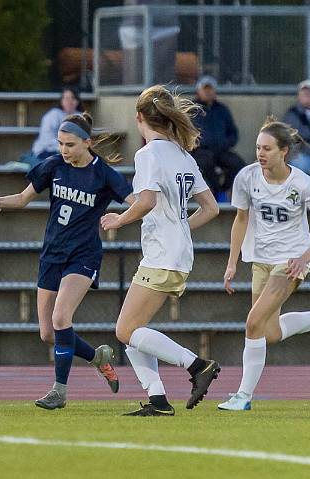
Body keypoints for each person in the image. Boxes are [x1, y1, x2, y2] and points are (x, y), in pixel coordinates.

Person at [0, 112, 134, 410]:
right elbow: (24, 197)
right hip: (52, 254)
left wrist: (122, 218)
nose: (64, 150)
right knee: (48, 333)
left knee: (61, 318)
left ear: (87, 143)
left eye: (70, 144)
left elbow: (137, 202)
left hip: (83, 255)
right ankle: (97, 357)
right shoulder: (53, 165)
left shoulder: (103, 174)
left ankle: (58, 392)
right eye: (60, 143)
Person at [100, 85, 221, 417]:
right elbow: (211, 208)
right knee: (133, 330)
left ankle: (197, 365)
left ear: (139, 118)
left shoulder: (149, 154)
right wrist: (180, 229)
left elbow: (147, 201)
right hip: (176, 253)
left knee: (125, 330)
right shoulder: (183, 154)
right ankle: (158, 400)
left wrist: (119, 220)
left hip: (162, 254)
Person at [218, 118, 310, 411]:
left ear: (284, 151)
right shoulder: (247, 177)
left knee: (252, 322)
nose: (260, 154)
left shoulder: (301, 183)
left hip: (289, 264)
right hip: (259, 261)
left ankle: (243, 397)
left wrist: (303, 259)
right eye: (258, 148)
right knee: (269, 332)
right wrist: (231, 263)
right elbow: (240, 220)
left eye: (267, 149)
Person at [191, 75, 245, 201]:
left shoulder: (222, 110)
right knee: (206, 164)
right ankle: (214, 195)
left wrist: (226, 143)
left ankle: (224, 190)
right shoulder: (191, 109)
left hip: (221, 150)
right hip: (200, 151)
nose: (208, 92)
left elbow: (233, 133)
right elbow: (185, 133)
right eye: (205, 89)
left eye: (211, 89)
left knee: (238, 164)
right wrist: (197, 144)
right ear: (198, 91)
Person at [28, 87, 83, 164]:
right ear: (61, 101)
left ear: (77, 101)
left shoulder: (81, 117)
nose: (70, 102)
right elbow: (47, 139)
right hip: (47, 151)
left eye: (73, 98)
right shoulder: (53, 115)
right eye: (66, 99)